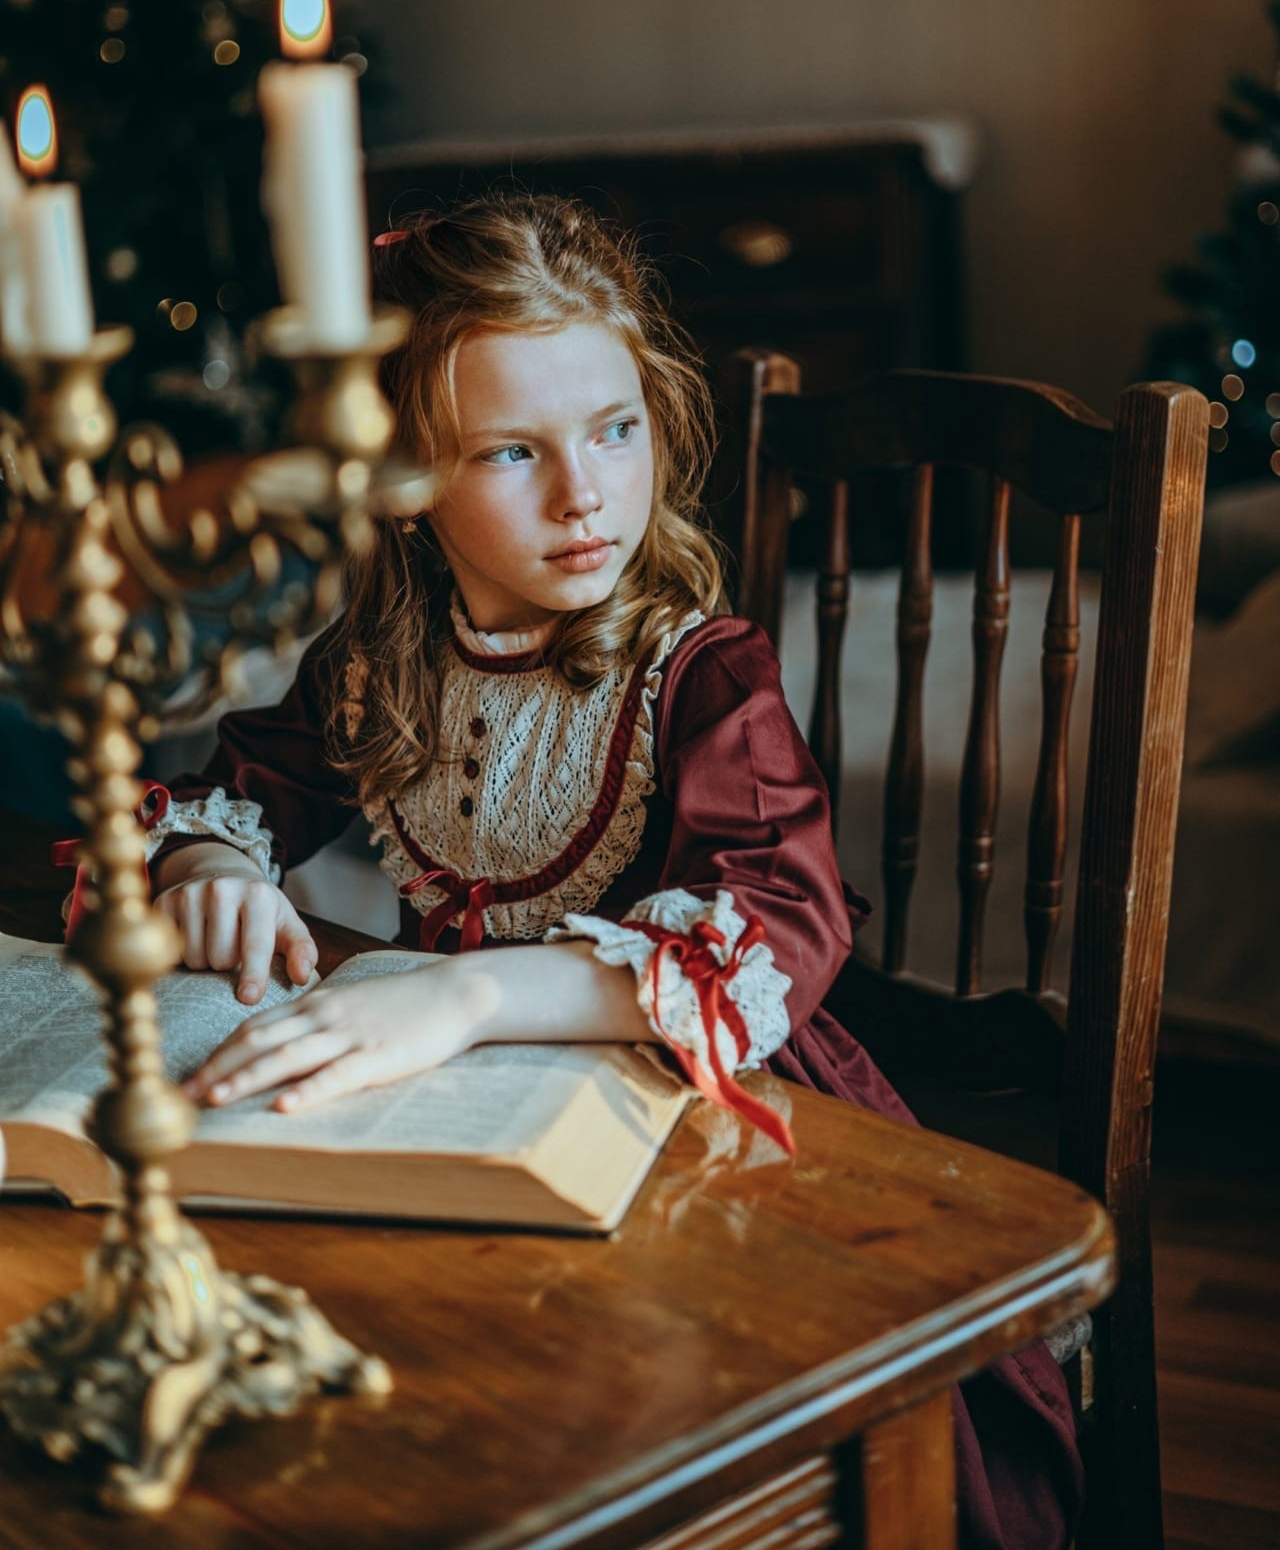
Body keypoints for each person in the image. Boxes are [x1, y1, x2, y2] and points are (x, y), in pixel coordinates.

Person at [144, 194, 1083, 1550]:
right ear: (407, 484)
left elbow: (770, 937)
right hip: (477, 1139)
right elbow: (235, 787)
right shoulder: (377, 660)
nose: (586, 496)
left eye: (615, 430)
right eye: (511, 451)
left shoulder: (702, 677)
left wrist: (460, 998)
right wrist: (203, 867)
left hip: (715, 1144)